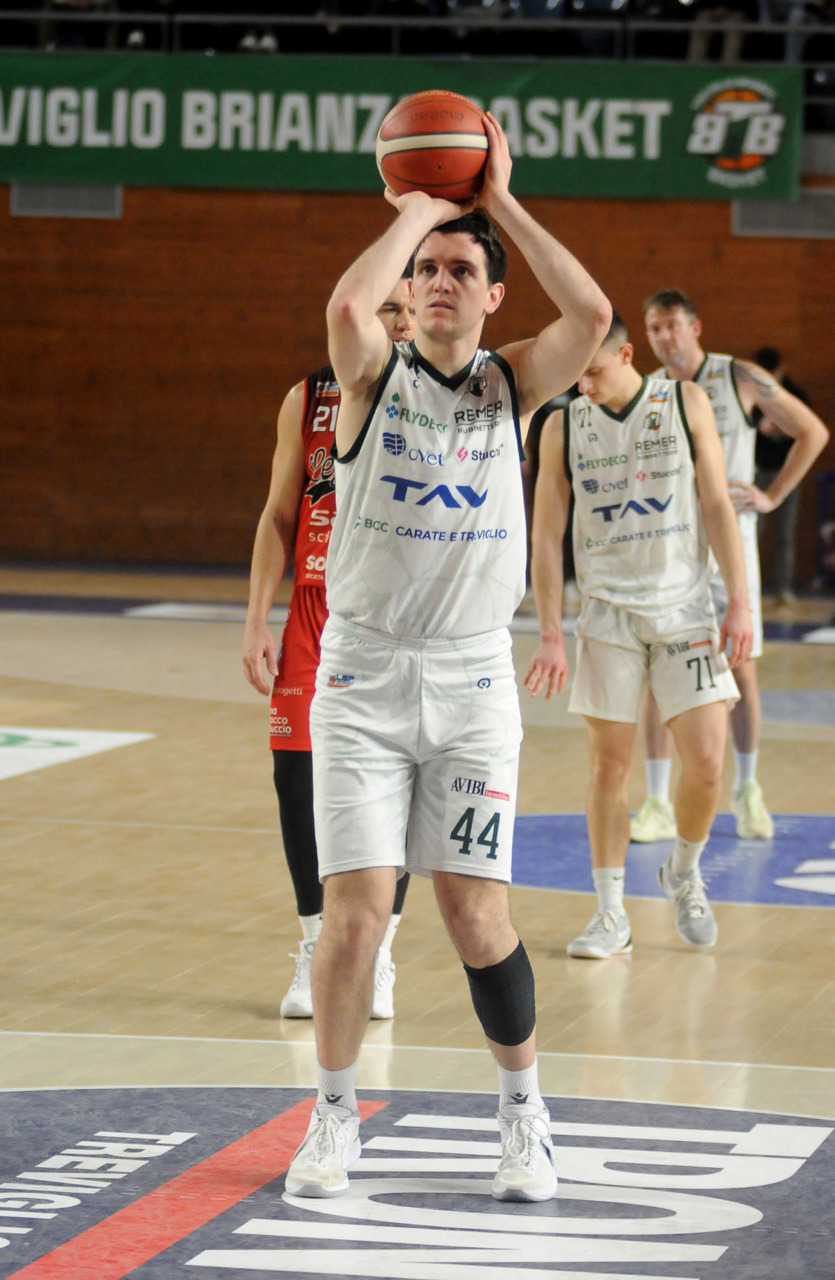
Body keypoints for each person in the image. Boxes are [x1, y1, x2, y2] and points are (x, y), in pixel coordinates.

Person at [285, 112, 611, 1202]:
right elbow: (345, 307)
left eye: (459, 270)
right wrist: (418, 206)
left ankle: (525, 1116)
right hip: (363, 678)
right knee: (353, 916)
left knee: (476, 916)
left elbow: (592, 314)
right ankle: (333, 1118)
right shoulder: (369, 375)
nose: (435, 282)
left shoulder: (513, 384)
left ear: (491, 295)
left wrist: (496, 198)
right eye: (424, 270)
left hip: (472, 682)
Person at [525, 313, 752, 959]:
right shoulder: (563, 425)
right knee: (609, 766)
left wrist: (739, 602)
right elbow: (546, 535)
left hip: (684, 609)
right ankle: (609, 912)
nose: (584, 386)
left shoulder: (684, 402)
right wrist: (549, 630)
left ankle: (683, 870)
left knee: (707, 763)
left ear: (626, 355)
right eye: (575, 376)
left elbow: (716, 505)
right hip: (607, 613)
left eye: (593, 371)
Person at [241, 277, 416, 1021]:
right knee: (296, 778)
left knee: (393, 784)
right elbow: (280, 512)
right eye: (389, 308)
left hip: (396, 614)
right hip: (314, 609)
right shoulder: (306, 397)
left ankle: (379, 954)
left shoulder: (440, 393)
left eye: (412, 310)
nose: (402, 321)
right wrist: (256, 618)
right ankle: (316, 946)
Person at [630, 289, 828, 843]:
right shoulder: (648, 390)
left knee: (741, 670)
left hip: (730, 549)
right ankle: (656, 800)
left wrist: (773, 495)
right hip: (670, 549)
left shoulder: (739, 377)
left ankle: (747, 789)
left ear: (695, 327)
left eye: (671, 325)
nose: (663, 337)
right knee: (659, 672)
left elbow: (812, 431)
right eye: (653, 328)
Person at [752, 345, 811, 608]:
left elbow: (811, 431)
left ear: (781, 369)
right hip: (758, 472)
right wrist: (760, 426)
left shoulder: (796, 395)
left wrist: (786, 427)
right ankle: (750, 587)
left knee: (784, 533)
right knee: (753, 532)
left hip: (787, 473)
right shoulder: (752, 393)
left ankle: (783, 589)